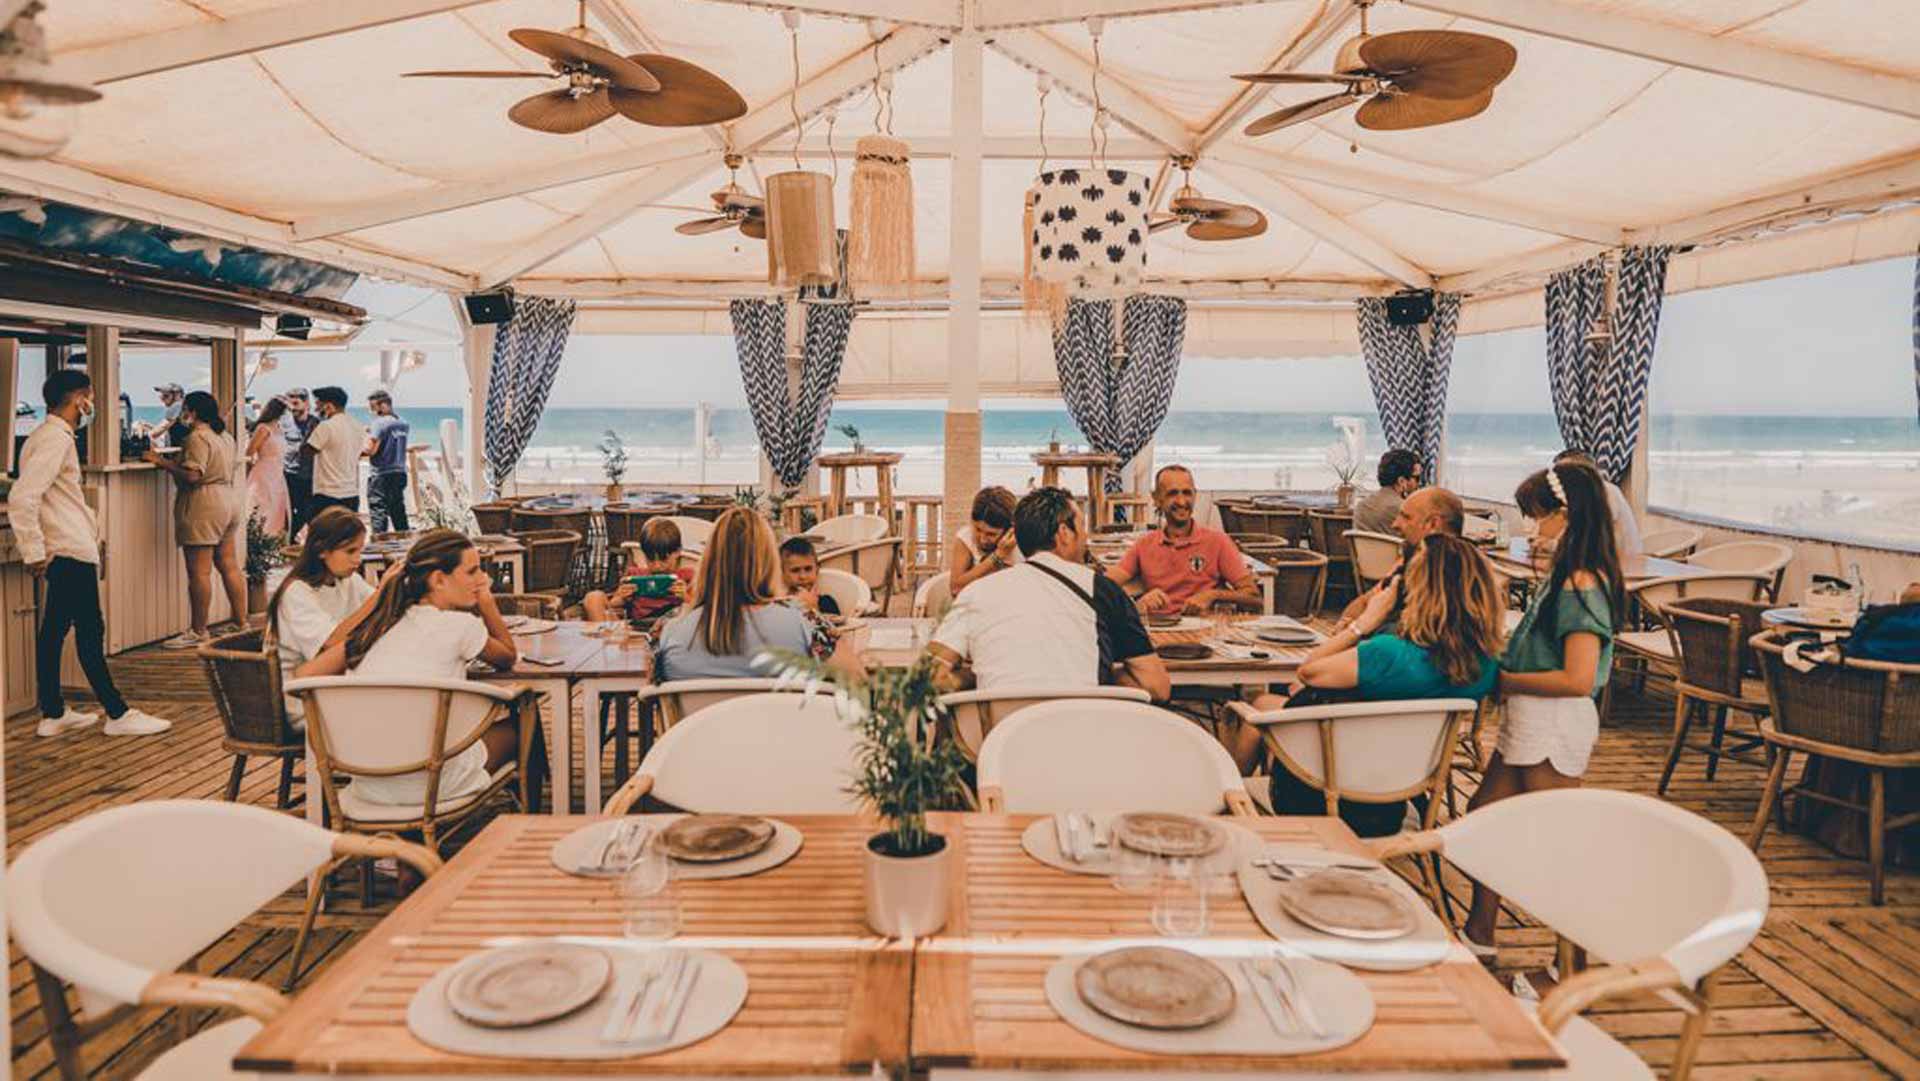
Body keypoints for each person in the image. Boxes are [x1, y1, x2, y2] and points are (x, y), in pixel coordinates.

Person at [1461, 461, 1623, 957]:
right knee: (1484, 815)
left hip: (1553, 722)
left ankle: (1570, 964)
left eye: (1536, 516)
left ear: (1566, 516)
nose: (1530, 528)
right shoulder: (1566, 576)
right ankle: (1479, 934)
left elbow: (1577, 679)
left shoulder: (1580, 583)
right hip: (1529, 718)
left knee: (1556, 845)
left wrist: (1503, 679)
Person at [1246, 534, 1506, 833]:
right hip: (1396, 797)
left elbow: (1308, 671)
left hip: (1326, 796)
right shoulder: (1486, 664)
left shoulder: (1387, 654)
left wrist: (1364, 622)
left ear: (1418, 590)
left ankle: (1223, 806)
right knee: (1269, 707)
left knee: (1254, 713)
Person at [295, 530, 540, 807]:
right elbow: (507, 656)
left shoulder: (376, 629)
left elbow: (304, 679)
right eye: (472, 572)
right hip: (434, 783)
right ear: (438, 580)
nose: (481, 579)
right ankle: (533, 821)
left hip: (370, 783)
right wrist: (486, 602)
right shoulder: (461, 627)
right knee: (525, 721)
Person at [13, 369, 171, 737]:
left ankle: (53, 712)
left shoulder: (43, 436)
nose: (93, 406)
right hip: (69, 549)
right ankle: (117, 712)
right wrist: (33, 551)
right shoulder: (56, 440)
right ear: (78, 399)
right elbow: (24, 496)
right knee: (89, 631)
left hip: (64, 546)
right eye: (92, 398)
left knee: (53, 631)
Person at [930, 486, 1170, 699]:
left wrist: (979, 677)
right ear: (1064, 533)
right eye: (1082, 528)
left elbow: (930, 677)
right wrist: (1102, 677)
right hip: (1084, 738)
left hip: (1000, 743)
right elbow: (1157, 687)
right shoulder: (1102, 589)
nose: (1085, 537)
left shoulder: (976, 592)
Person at [655, 507, 856, 680]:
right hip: (786, 725)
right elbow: (859, 682)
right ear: (770, 563)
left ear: (708, 561)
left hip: (696, 725)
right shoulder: (806, 623)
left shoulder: (671, 630)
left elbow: (647, 691)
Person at [145, 391, 247, 650]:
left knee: (199, 572)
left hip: (204, 503)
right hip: (229, 500)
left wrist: (161, 462)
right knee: (229, 565)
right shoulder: (225, 437)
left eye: (185, 409)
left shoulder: (197, 438)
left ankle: (198, 631)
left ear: (192, 412)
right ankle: (240, 622)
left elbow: (192, 476)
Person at [267, 507, 382, 726]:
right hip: (300, 697)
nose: (357, 560)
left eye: (360, 551)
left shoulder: (347, 581)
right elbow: (330, 642)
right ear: (321, 550)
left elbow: (380, 608)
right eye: (350, 551)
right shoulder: (297, 591)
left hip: (334, 684)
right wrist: (381, 596)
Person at [1108, 465, 1260, 614]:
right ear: (1157, 499)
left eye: (1187, 493)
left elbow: (1254, 597)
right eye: (1172, 494)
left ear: (1195, 495)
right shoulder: (1144, 545)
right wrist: (1136, 605)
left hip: (1204, 633)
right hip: (1159, 631)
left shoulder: (1218, 541)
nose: (1181, 501)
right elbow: (1104, 586)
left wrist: (1212, 595)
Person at [1332, 485, 1467, 633]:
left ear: (1433, 524)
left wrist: (1354, 632)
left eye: (1406, 517)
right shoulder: (1407, 561)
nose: (1395, 524)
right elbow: (1366, 601)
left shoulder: (1452, 580)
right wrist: (1345, 625)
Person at [584, 517, 693, 623]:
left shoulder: (687, 577)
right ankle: (607, 638)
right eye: (650, 560)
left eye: (663, 559)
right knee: (593, 598)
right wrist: (622, 597)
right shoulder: (634, 575)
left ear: (677, 552)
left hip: (670, 627)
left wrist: (685, 597)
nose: (657, 566)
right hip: (635, 628)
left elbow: (702, 611)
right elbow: (612, 605)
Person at [1554, 449, 1641, 564]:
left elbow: (1591, 537)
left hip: (1622, 563)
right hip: (1605, 559)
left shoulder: (1606, 492)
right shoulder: (1586, 491)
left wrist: (1553, 545)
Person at [302, 386, 366, 519]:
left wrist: (312, 426)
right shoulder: (358, 426)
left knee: (325, 537)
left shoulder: (326, 426)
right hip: (351, 493)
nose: (317, 409)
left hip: (327, 494)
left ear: (329, 406)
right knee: (346, 537)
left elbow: (305, 452)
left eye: (319, 405)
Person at [947, 485, 1021, 593]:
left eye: (991, 534)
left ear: (1009, 530)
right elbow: (955, 588)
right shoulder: (965, 538)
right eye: (977, 529)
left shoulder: (1021, 543)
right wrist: (998, 556)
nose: (982, 539)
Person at [364, 389, 411, 533]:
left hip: (381, 474)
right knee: (398, 511)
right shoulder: (403, 423)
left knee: (379, 511)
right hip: (399, 473)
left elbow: (371, 450)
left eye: (373, 407)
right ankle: (404, 542)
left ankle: (379, 546)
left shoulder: (379, 423)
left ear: (383, 405)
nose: (372, 411)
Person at [246, 396, 292, 536]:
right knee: (263, 509)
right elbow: (249, 452)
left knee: (278, 509)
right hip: (263, 473)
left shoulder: (279, 428)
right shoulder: (263, 428)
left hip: (278, 474)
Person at [1352, 449, 1421, 535]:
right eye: (1417, 478)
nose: (1420, 482)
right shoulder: (1402, 510)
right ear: (1401, 481)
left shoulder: (1361, 506)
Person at [280, 388, 319, 537]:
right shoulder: (284, 423)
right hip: (288, 473)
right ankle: (289, 541)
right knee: (287, 511)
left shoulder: (315, 423)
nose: (293, 408)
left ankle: (292, 538)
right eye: (291, 404)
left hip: (309, 475)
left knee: (307, 511)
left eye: (297, 403)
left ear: (306, 403)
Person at [779, 535, 840, 617]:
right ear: (782, 573)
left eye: (808, 569)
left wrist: (814, 609)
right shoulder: (778, 606)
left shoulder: (827, 603)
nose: (803, 576)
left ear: (817, 570)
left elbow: (835, 629)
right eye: (795, 570)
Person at [153, 382, 188, 448]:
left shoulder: (177, 405)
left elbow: (160, 429)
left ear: (177, 395)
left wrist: (143, 436)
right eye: (161, 396)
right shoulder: (183, 406)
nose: (162, 399)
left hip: (178, 453)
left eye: (166, 396)